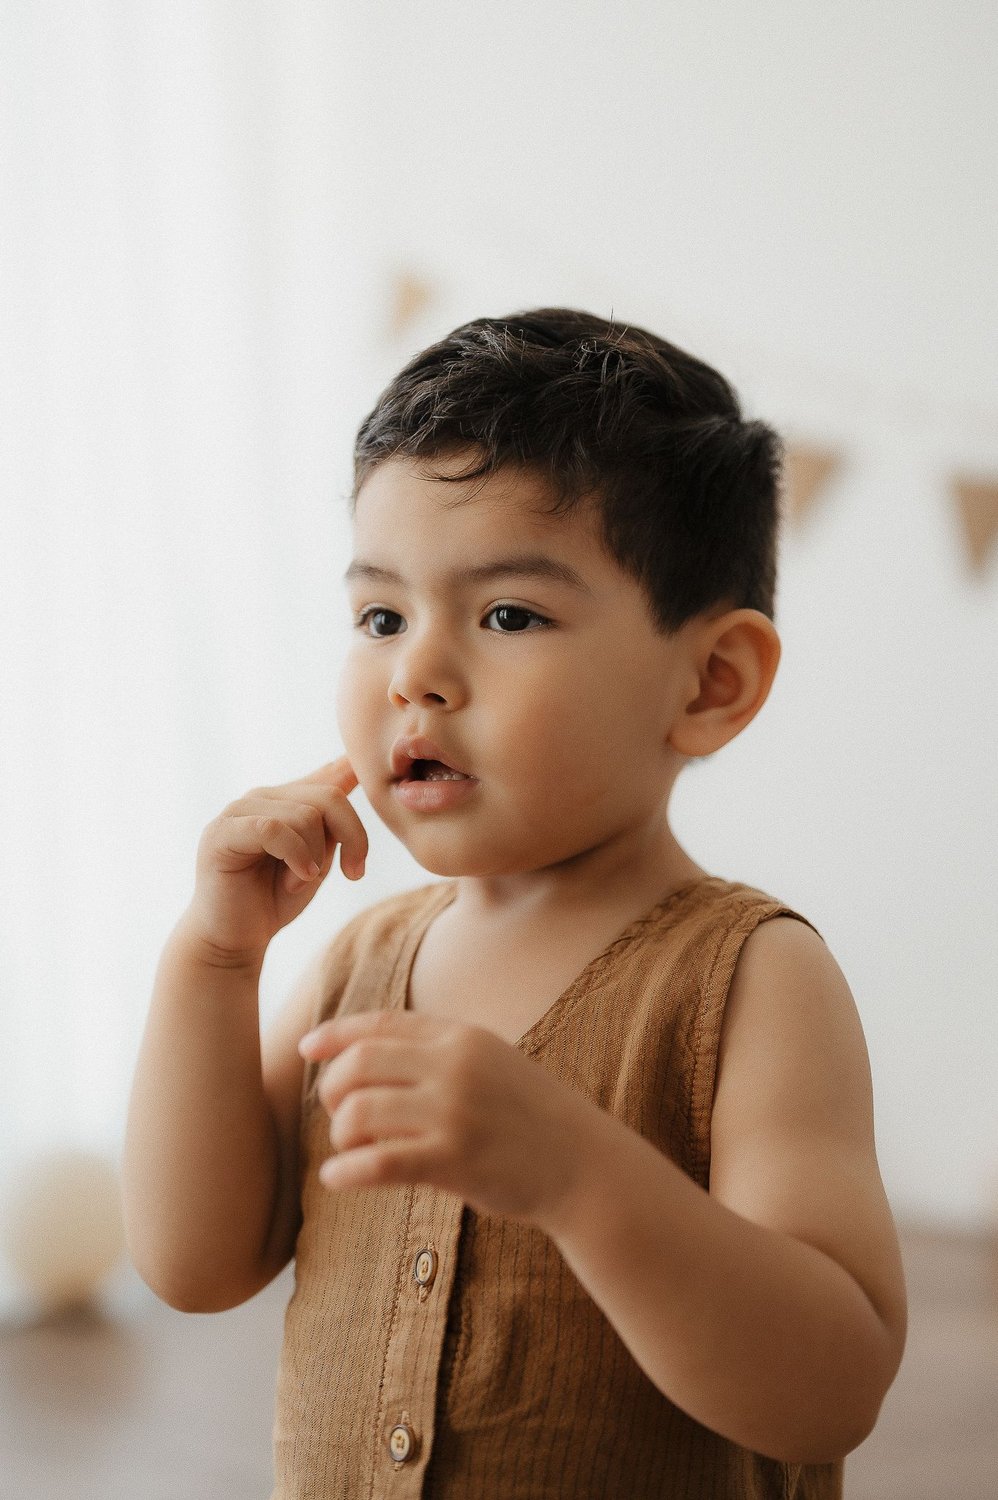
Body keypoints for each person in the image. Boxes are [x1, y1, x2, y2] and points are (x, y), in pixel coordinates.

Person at [122, 308, 907, 1499]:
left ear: (709, 683)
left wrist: (576, 1175)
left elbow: (828, 1387)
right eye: (381, 617)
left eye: (507, 616)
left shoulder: (747, 977)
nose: (414, 674)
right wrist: (215, 962)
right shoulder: (359, 964)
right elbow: (194, 1263)